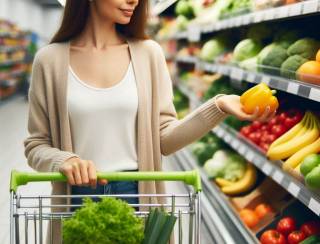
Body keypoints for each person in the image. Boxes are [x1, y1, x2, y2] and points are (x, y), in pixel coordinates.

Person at [24, 0, 275, 242]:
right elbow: (36, 145)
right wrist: (63, 160)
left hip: (138, 194)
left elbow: (165, 139)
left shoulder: (148, 54)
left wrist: (218, 106)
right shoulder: (50, 60)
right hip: (75, 197)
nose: (134, 1)